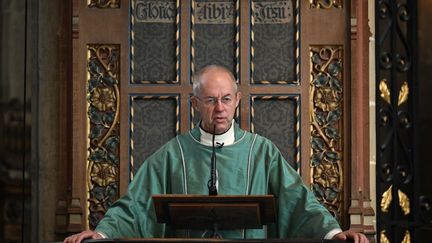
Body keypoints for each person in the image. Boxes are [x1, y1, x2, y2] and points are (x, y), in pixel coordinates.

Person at [64, 65, 368, 243]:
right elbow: (134, 206)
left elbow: (299, 201)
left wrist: (333, 234)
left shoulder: (261, 152)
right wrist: (100, 236)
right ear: (195, 103)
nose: (219, 108)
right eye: (210, 100)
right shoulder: (174, 154)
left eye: (225, 99)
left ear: (237, 100)